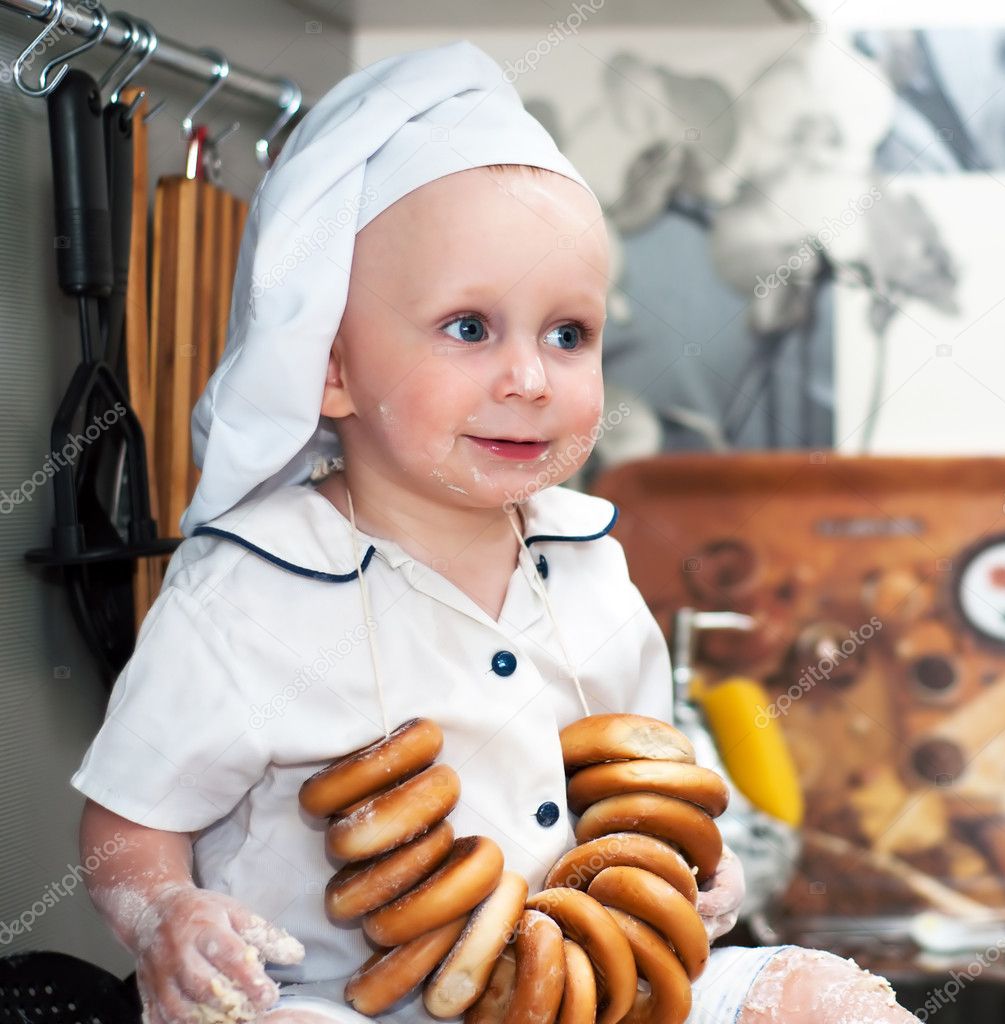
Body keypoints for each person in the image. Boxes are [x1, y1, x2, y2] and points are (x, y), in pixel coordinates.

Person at [71, 39, 919, 1024]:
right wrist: (166, 911)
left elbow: (653, 774)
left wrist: (704, 870)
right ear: (331, 369)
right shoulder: (247, 591)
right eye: (469, 328)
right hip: (323, 1001)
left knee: (818, 996)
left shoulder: (590, 560)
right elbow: (124, 826)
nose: (529, 378)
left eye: (569, 334)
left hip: (583, 989)